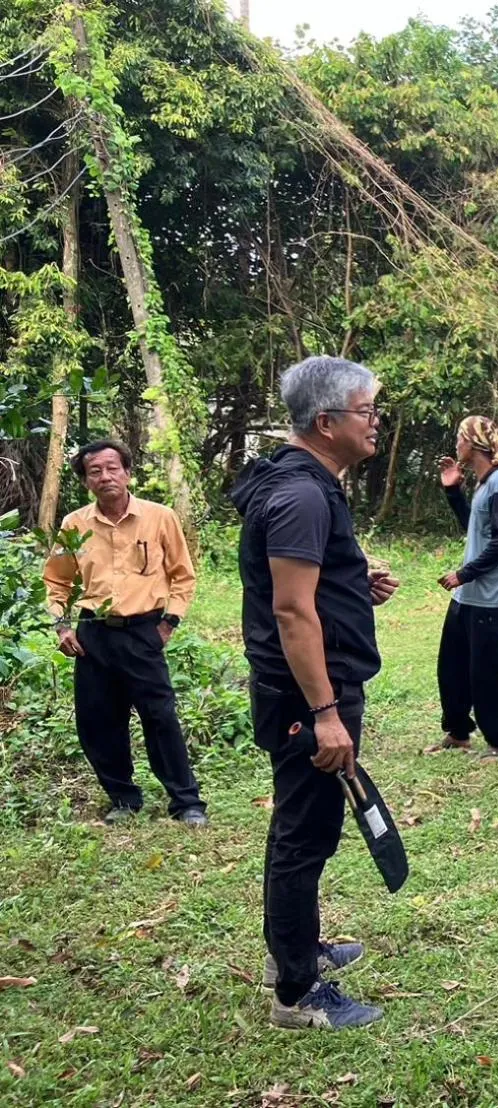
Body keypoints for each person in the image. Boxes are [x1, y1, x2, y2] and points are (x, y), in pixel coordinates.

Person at [232, 355, 401, 1031]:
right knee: (305, 834)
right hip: (309, 700)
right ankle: (295, 992)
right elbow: (292, 613)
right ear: (326, 422)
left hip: (312, 690)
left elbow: (309, 595)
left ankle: (293, 949)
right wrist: (326, 714)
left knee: (305, 828)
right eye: (367, 411)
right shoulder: (302, 496)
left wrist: (352, 587)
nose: (376, 424)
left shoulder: (306, 483)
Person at [42, 440, 206, 827]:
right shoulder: (74, 525)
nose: (105, 476)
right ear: (86, 480)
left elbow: (183, 576)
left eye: (112, 468)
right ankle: (123, 798)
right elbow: (56, 582)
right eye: (95, 471)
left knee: (160, 716)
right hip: (93, 636)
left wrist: (170, 622)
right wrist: (62, 625)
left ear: (127, 472)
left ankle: (186, 802)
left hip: (143, 632)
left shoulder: (160, 517)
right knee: (98, 721)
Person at [433, 416, 498, 758]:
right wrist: (454, 491)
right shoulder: (484, 483)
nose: (457, 444)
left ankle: (497, 742)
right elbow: (475, 529)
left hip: (491, 599)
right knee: (451, 666)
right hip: (467, 598)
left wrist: (464, 573)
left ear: (474, 442)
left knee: (489, 672)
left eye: (460, 438)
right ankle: (458, 733)